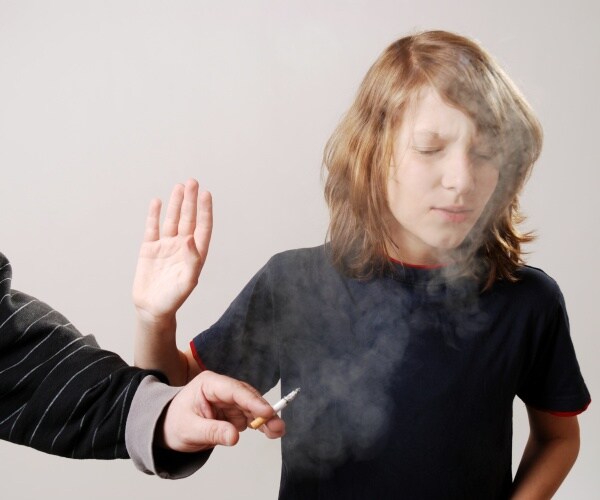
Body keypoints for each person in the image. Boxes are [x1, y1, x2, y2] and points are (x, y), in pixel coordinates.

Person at [132, 31, 591, 498]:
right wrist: (156, 318)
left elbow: (558, 438)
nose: (461, 180)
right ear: (373, 154)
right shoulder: (294, 284)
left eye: (486, 152)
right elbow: (173, 398)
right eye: (431, 149)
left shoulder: (528, 301)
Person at [0, 247, 283, 476]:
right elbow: (184, 390)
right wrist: (154, 322)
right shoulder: (288, 283)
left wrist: (154, 409)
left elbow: (172, 402)